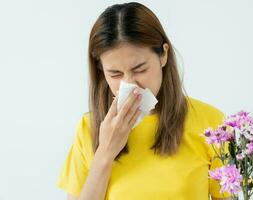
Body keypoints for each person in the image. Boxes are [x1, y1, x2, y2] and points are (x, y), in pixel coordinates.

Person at [56, 2, 232, 200]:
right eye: (115, 73)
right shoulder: (88, 128)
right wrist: (105, 153)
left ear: (163, 55)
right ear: (100, 70)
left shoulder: (212, 125)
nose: (130, 84)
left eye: (140, 69)